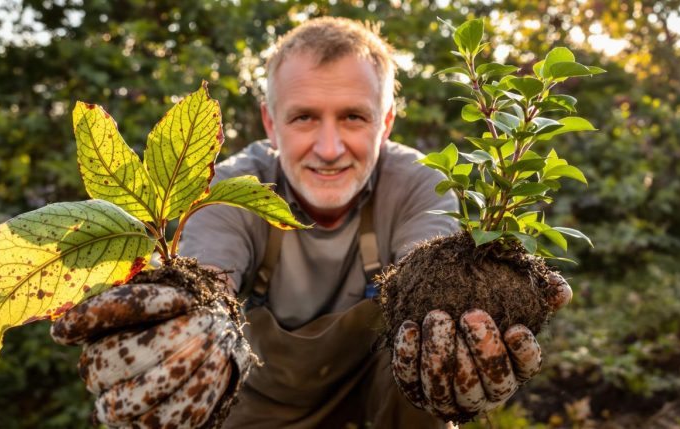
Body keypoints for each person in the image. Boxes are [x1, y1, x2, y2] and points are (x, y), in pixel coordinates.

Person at [51, 17, 571, 429]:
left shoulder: (421, 181)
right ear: (270, 123)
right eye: (303, 118)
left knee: (432, 354)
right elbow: (201, 267)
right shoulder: (231, 189)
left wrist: (475, 310)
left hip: (384, 398)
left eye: (353, 117)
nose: (328, 149)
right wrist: (182, 329)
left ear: (386, 122)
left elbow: (439, 264)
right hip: (257, 406)